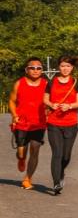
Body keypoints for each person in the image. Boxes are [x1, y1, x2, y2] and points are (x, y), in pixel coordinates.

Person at [43, 55, 78, 195]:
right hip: (54, 122)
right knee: (57, 153)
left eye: (68, 66)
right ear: (58, 67)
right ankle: (56, 183)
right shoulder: (51, 82)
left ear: (72, 67)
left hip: (71, 123)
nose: (65, 69)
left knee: (66, 156)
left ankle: (61, 173)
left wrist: (70, 106)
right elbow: (45, 99)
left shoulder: (76, 82)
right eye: (62, 66)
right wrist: (51, 104)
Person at [8, 57, 48, 190]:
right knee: (21, 152)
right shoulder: (19, 83)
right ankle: (21, 158)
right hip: (22, 123)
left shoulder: (46, 84)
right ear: (26, 70)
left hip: (39, 123)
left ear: (42, 70)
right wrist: (14, 115)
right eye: (32, 68)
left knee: (35, 148)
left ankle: (27, 178)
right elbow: (12, 101)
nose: (36, 70)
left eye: (39, 68)